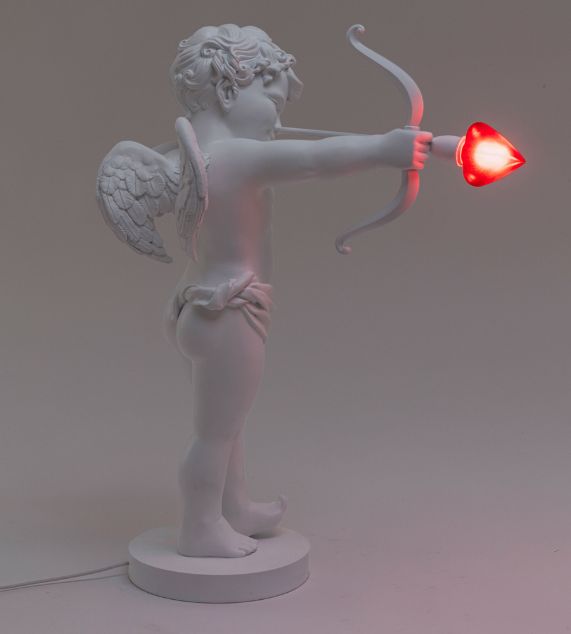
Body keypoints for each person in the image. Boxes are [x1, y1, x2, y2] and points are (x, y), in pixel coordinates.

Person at [163, 24, 432, 557]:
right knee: (216, 432)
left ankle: (233, 507)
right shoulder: (232, 158)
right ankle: (200, 526)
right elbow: (316, 160)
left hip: (197, 302)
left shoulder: (186, 155)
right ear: (227, 89)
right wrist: (387, 148)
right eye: (272, 100)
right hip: (231, 312)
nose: (280, 121)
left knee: (228, 422)